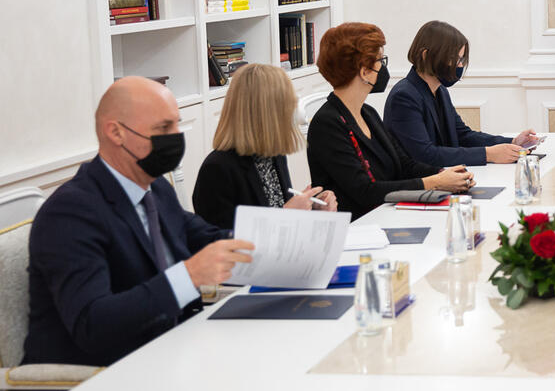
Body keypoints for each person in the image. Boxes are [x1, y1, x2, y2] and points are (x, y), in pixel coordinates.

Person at [24, 77, 255, 372]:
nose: (176, 137)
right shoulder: (70, 212)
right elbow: (92, 323)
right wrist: (190, 275)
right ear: (116, 132)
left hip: (172, 351)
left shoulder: (155, 189)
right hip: (100, 377)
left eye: (176, 125)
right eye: (163, 128)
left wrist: (278, 239)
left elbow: (204, 236)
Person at [307, 22, 474, 220]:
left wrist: (445, 173)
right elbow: (365, 191)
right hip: (357, 226)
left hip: (384, 217)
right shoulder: (327, 124)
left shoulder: (368, 113)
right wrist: (436, 182)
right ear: (364, 72)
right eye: (380, 60)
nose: (383, 67)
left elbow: (404, 165)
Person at [192, 63, 336, 229]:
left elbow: (278, 212)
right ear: (269, 114)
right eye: (288, 105)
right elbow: (222, 240)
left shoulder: (273, 155)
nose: (292, 112)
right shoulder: (217, 170)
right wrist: (287, 214)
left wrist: (312, 208)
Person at [384, 21, 538, 166]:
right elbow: (425, 154)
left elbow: (462, 135)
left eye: (461, 59)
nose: (459, 65)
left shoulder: (440, 91)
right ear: (425, 55)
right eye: (453, 59)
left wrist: (512, 142)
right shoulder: (404, 96)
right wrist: (488, 154)